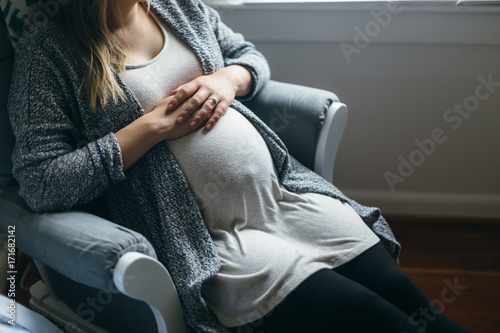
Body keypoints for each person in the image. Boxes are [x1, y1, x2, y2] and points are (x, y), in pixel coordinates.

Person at [7, 0, 471, 332]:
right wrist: (149, 128)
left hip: (284, 200)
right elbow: (42, 182)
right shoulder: (48, 52)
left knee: (415, 305)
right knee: (376, 318)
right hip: (214, 243)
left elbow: (249, 57)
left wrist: (227, 79)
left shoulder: (178, 8)